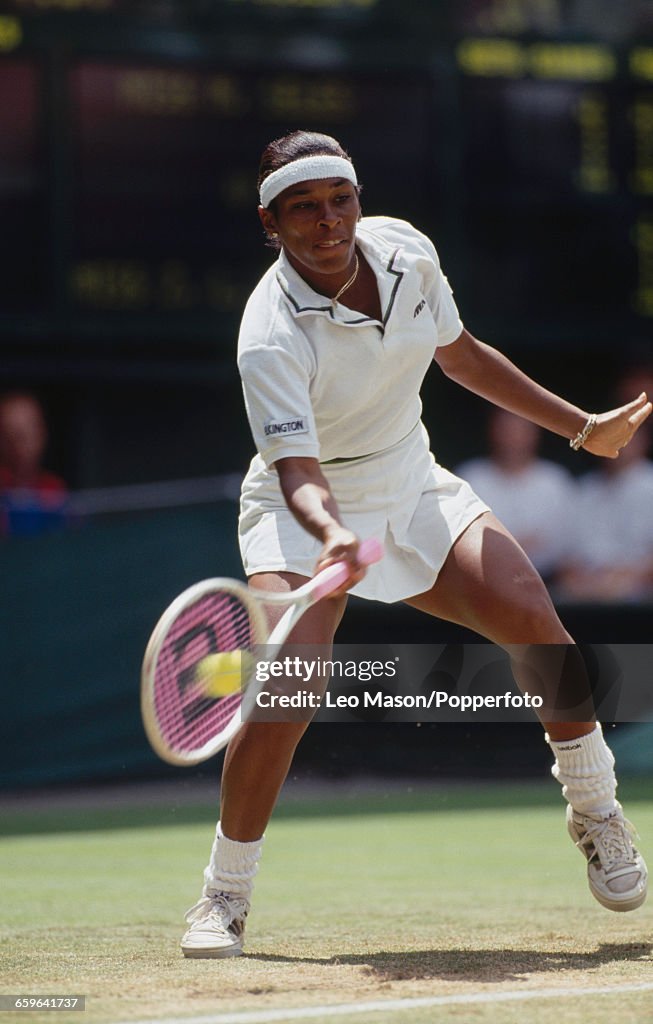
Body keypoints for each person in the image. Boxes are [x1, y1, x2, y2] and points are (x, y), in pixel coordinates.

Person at [180, 131, 650, 958]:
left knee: (535, 622)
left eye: (340, 200)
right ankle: (223, 894)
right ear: (271, 221)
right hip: (302, 505)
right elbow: (294, 467)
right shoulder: (268, 332)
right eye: (303, 208)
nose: (328, 221)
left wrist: (580, 428)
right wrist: (330, 536)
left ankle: (596, 812)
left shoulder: (404, 251)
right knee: (289, 689)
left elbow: (460, 355)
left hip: (408, 481)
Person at [557, 366, 653, 602]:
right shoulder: (583, 489)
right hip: (583, 596)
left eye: (628, 434)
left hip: (639, 601)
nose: (620, 441)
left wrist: (620, 581)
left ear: (644, 439)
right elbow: (564, 556)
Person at [456, 407, 576, 582]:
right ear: (493, 431)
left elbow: (563, 543)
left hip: (547, 583)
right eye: (506, 430)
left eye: (520, 430)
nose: (513, 438)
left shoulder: (555, 481)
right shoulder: (471, 477)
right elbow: (464, 540)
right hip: (483, 582)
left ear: (535, 434)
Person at [0, 392, 69, 538]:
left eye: (25, 434)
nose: (17, 445)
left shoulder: (54, 489)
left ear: (41, 434)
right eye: (8, 434)